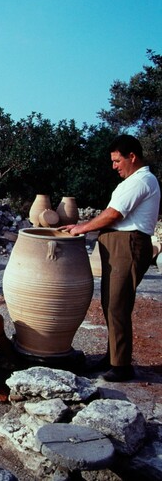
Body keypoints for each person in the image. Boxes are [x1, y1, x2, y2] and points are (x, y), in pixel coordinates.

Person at [63, 135, 160, 382]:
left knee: (118, 304)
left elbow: (114, 214)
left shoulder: (142, 180)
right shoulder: (134, 181)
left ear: (132, 157)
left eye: (117, 161)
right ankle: (113, 357)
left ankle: (122, 366)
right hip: (118, 245)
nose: (114, 166)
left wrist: (81, 228)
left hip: (128, 244)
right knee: (110, 304)